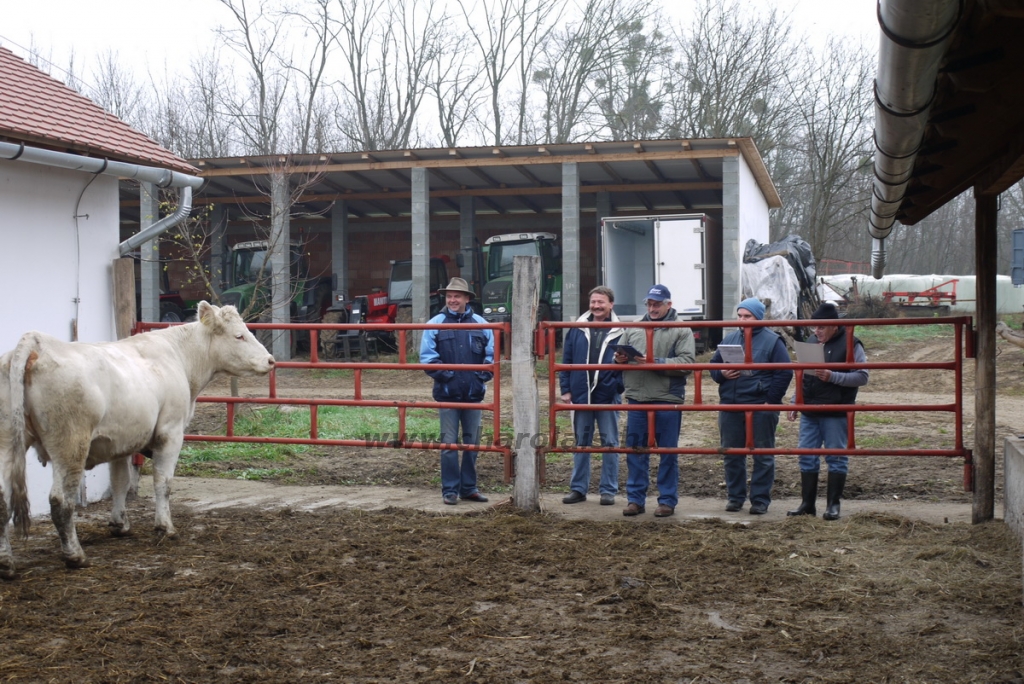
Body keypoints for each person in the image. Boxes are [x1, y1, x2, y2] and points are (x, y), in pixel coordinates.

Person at [614, 284, 695, 518]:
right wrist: (619, 358)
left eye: (657, 304)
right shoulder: (634, 328)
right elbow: (619, 355)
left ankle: (667, 500)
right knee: (636, 451)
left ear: (668, 305)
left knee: (667, 452)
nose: (652, 308)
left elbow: (687, 363)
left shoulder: (681, 330)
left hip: (666, 399)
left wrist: (654, 361)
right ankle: (635, 499)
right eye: (649, 304)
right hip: (638, 398)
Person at [709, 297, 793, 515]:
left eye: (747, 316)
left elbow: (784, 372)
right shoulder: (730, 338)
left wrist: (770, 402)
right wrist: (722, 373)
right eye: (739, 315)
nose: (742, 320)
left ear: (758, 317)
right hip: (731, 404)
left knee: (762, 453)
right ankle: (735, 498)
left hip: (759, 405)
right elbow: (713, 366)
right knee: (731, 453)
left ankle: (760, 500)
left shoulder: (773, 341)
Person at [787, 301, 869, 520]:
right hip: (810, 410)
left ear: (834, 325)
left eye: (821, 327)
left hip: (836, 409)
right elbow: (803, 374)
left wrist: (833, 376)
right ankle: (807, 504)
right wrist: (796, 400)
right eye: (815, 327)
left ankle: (833, 505)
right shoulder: (811, 343)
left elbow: (863, 376)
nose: (816, 331)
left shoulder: (852, 343)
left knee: (836, 456)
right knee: (806, 455)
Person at [419, 277, 495, 506]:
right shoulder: (435, 323)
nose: (452, 300)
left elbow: (491, 357)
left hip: (473, 394)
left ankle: (469, 488)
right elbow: (428, 358)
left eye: (457, 296)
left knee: (472, 444)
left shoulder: (482, 324)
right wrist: (449, 378)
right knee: (449, 445)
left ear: (467, 298)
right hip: (447, 394)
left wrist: (480, 377)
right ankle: (450, 490)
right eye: (449, 296)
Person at [559, 286, 624, 506]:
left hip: (608, 395)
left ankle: (608, 490)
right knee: (581, 443)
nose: (596, 306)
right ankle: (578, 488)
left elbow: (627, 362)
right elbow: (566, 359)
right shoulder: (576, 328)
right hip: (581, 393)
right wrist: (566, 389)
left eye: (601, 302)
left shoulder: (621, 329)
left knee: (610, 443)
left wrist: (617, 386)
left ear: (611, 304)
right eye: (593, 302)